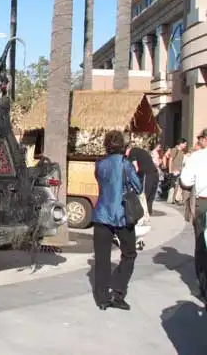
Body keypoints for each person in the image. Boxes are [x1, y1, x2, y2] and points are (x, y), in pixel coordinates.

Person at [92, 130, 142, 311]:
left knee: (102, 258)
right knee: (129, 254)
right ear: (123, 146)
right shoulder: (125, 165)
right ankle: (118, 292)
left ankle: (102, 299)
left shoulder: (99, 164)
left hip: (101, 214)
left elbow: (101, 183)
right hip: (122, 215)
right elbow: (138, 187)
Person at [180, 128, 207, 306]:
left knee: (202, 245)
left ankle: (204, 286)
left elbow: (186, 180)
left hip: (203, 203)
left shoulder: (197, 157)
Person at [126, 142, 160, 217]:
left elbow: (136, 168)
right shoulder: (141, 151)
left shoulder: (132, 151)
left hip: (147, 174)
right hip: (155, 173)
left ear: (128, 149)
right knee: (150, 197)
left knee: (143, 195)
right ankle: (148, 213)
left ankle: (141, 214)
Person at [169, 138, 188, 204]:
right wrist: (170, 171)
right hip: (175, 171)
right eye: (185, 144)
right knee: (175, 185)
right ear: (181, 143)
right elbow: (170, 160)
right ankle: (172, 199)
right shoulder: (174, 150)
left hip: (180, 170)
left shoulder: (182, 152)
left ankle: (176, 199)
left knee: (178, 186)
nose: (185, 145)